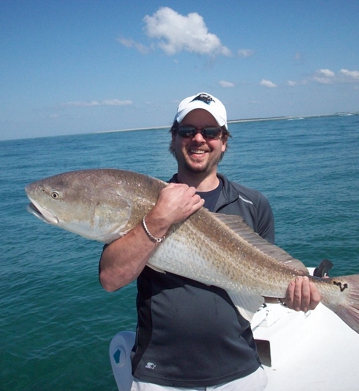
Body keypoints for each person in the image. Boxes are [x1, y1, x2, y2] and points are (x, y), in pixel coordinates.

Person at [99, 92, 321, 390]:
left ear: (224, 141)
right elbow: (111, 279)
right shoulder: (143, 202)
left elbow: (259, 285)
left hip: (239, 368)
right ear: (174, 139)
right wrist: (159, 218)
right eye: (188, 131)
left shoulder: (254, 204)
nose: (199, 139)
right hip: (160, 373)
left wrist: (291, 294)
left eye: (211, 132)